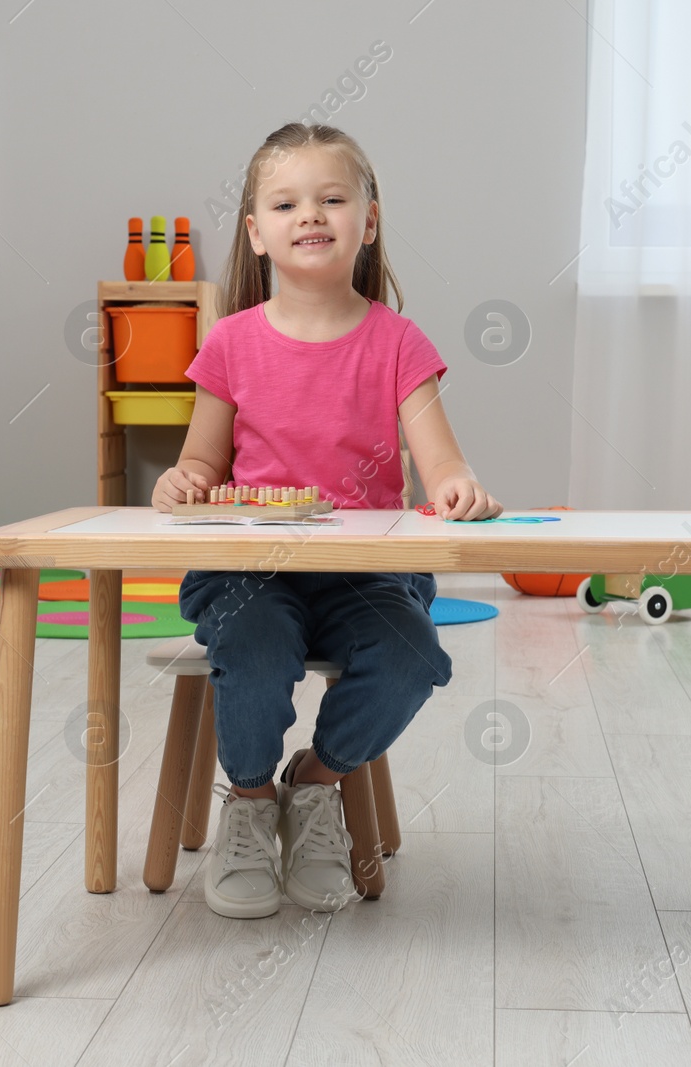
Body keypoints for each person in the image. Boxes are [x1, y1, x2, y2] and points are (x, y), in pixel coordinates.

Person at [153, 122, 502, 919]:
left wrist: (457, 486)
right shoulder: (231, 344)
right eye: (286, 202)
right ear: (257, 231)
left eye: (332, 198)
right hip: (250, 570)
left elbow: (442, 463)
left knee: (415, 656)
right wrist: (184, 479)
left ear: (367, 220)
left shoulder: (398, 342)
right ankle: (246, 800)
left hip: (366, 576)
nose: (310, 214)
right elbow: (202, 465)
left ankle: (314, 785)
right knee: (253, 646)